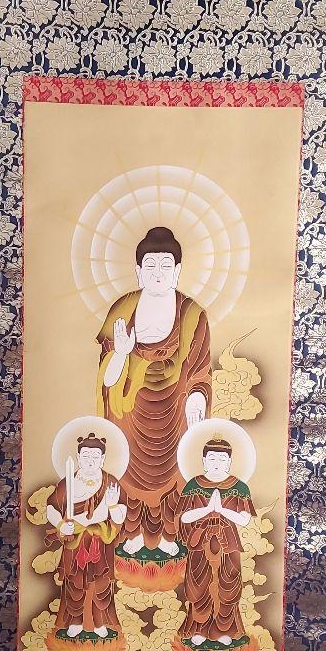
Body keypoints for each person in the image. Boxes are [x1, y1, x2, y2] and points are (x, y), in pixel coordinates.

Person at [96, 226, 210, 558]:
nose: (158, 273)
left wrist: (197, 397)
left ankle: (169, 533)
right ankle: (131, 532)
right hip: (130, 406)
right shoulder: (122, 310)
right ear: (138, 270)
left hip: (176, 406)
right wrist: (121, 353)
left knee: (173, 466)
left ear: (177, 270)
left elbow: (200, 369)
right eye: (150, 265)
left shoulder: (193, 314)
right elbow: (107, 379)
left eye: (165, 265)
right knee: (129, 466)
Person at [44, 433, 127, 651]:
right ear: (78, 457)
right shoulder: (68, 483)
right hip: (75, 541)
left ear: (103, 459)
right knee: (75, 580)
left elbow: (120, 517)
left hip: (100, 542)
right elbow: (51, 508)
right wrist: (62, 524)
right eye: (86, 455)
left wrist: (111, 506)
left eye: (95, 456)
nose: (90, 460)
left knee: (101, 581)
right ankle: (74, 621)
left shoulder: (110, 483)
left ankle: (100, 622)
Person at [176, 437, 256, 651]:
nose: (217, 463)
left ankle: (225, 630)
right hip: (200, 542)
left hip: (227, 543)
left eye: (222, 459)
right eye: (212, 458)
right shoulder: (194, 485)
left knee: (226, 584)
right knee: (199, 584)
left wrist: (221, 510)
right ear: (203, 460)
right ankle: (199, 629)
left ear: (229, 461)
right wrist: (207, 509)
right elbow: (184, 517)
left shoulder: (238, 486)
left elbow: (244, 519)